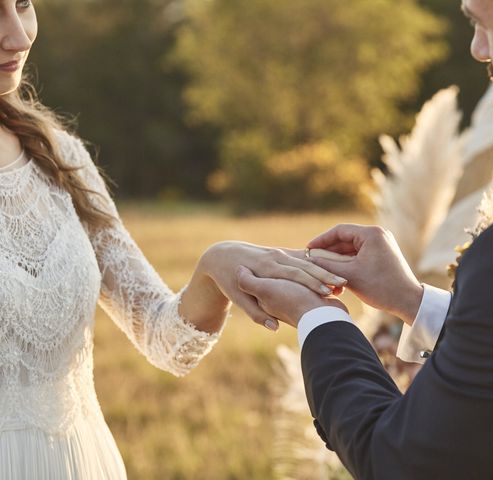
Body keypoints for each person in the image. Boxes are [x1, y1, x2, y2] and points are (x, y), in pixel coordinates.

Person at [237, 0, 493, 478]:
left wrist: (318, 316)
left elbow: (400, 461)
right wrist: (413, 301)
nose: (477, 50)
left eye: (481, 25)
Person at [0, 1, 345, 478]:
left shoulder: (57, 156)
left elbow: (168, 341)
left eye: (21, 4)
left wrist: (215, 266)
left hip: (80, 462)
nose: (17, 36)